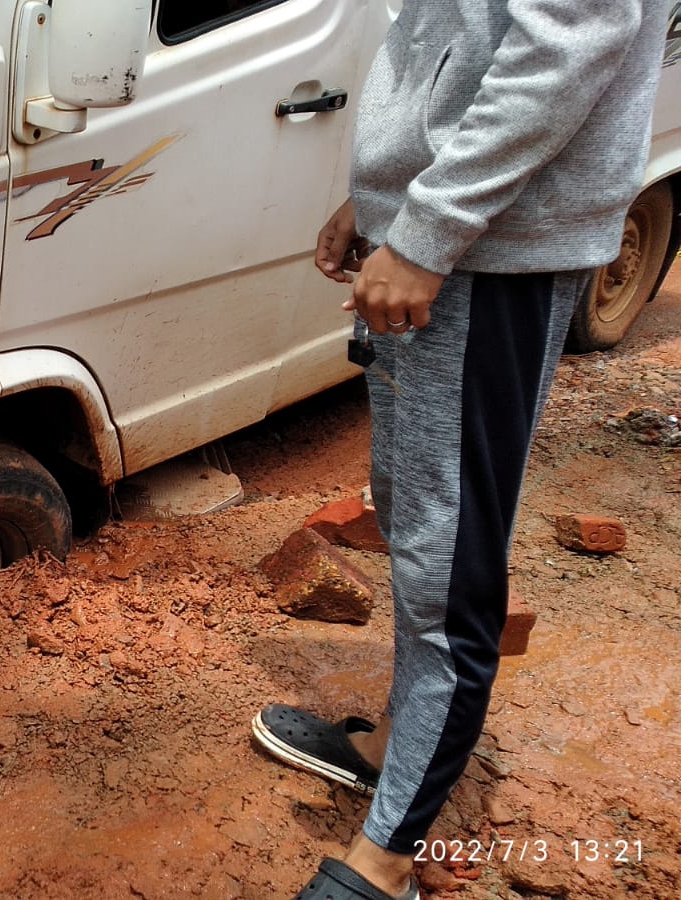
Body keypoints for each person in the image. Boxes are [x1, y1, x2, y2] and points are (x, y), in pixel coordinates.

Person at [251, 1, 671, 898]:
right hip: (465, 233)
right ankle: (393, 747)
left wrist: (428, 229)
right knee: (415, 519)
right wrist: (385, 204)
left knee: (449, 565)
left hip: (494, 252)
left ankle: (385, 863)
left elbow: (564, 46)